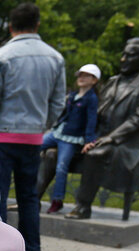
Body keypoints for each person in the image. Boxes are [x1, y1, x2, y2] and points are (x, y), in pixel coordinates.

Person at [0, 2, 65, 251]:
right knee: (29, 195)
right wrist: (42, 125)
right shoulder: (55, 58)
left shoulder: (1, 56)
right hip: (33, 137)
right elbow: (58, 101)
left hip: (1, 136)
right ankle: (32, 249)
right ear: (37, 24)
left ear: (10, 26)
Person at [66, 38, 139, 219]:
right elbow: (95, 111)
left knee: (96, 154)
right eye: (124, 54)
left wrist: (111, 138)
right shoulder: (112, 81)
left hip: (125, 145)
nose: (123, 59)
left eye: (131, 55)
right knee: (52, 152)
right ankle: (37, 203)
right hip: (96, 138)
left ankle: (82, 206)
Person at [39, 64, 100, 214]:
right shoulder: (73, 95)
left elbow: (91, 120)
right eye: (80, 75)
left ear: (94, 80)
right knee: (33, 148)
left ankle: (57, 200)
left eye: (86, 76)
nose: (82, 78)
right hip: (58, 132)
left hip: (71, 138)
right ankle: (31, 193)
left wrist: (88, 141)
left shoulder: (91, 99)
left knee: (61, 167)